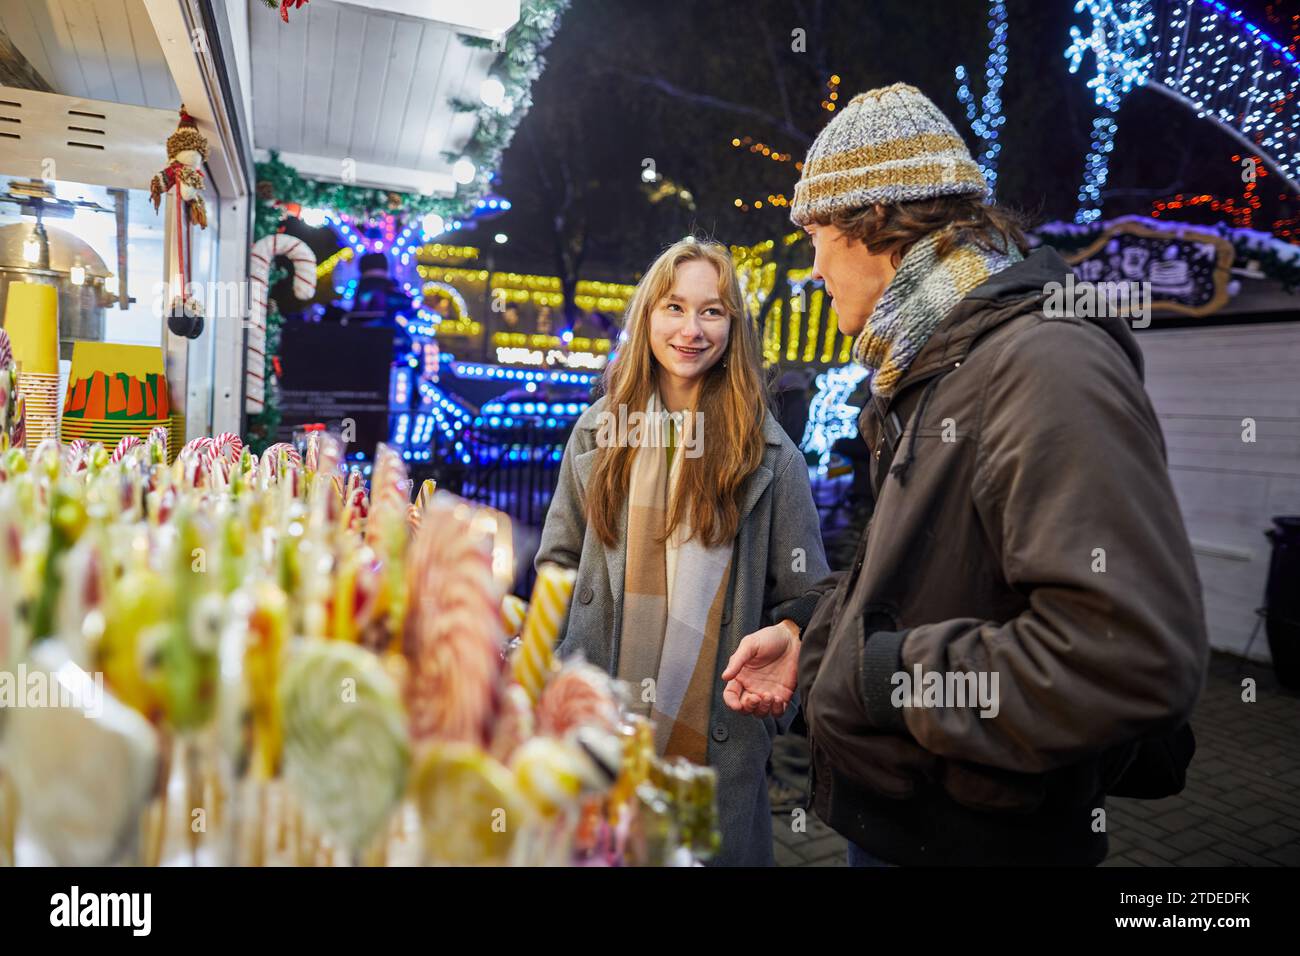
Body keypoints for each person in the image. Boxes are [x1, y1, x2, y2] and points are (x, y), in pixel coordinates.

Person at [722, 84, 1208, 866]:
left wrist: (884, 677)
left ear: (875, 219)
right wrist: (807, 635)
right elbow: (930, 575)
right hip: (907, 818)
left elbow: (1127, 656)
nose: (812, 266)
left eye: (814, 232)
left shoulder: (1040, 363)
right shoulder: (936, 364)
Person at [535, 237, 829, 865]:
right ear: (647, 316)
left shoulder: (771, 457)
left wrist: (767, 717)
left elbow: (807, 597)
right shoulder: (597, 432)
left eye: (712, 311)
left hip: (714, 746)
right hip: (596, 734)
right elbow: (557, 565)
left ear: (733, 327)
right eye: (674, 307)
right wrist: (549, 670)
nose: (691, 329)